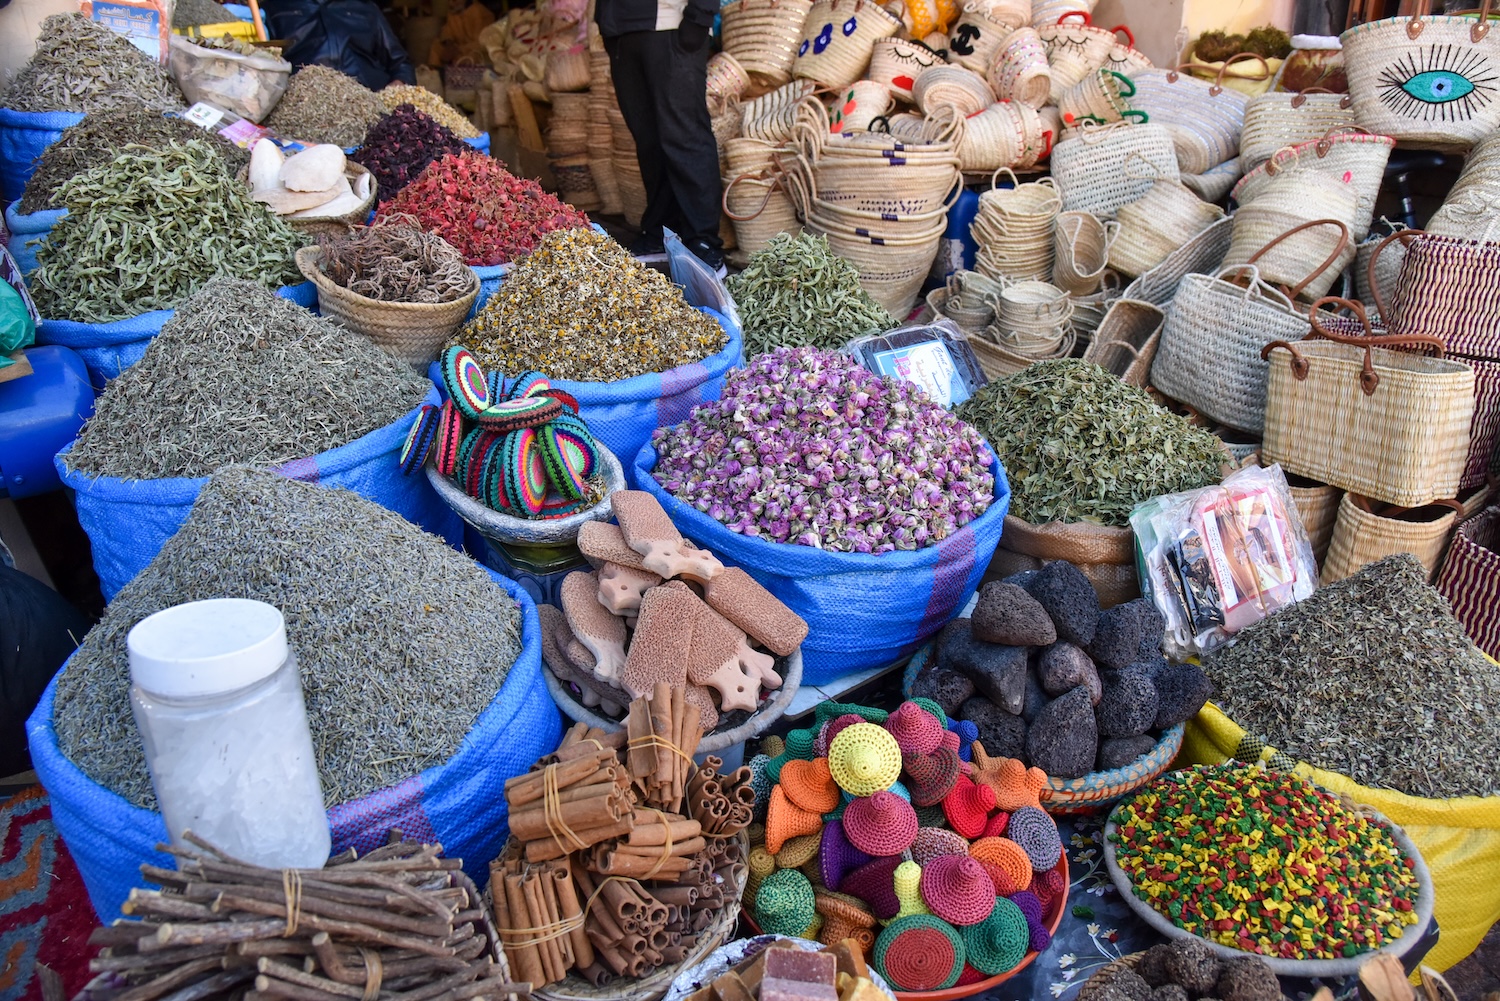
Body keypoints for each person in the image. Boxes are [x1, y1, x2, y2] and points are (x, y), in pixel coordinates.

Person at [596, 0, 725, 275]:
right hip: (621, 32)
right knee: (649, 141)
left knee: (685, 136)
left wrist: (699, 16)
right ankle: (660, 231)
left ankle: (703, 241)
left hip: (670, 24)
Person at [261, 0, 416, 92]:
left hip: (369, 101)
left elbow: (400, 62)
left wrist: (398, 84)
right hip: (305, 105)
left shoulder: (365, 8)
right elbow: (262, 63)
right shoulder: (275, 9)